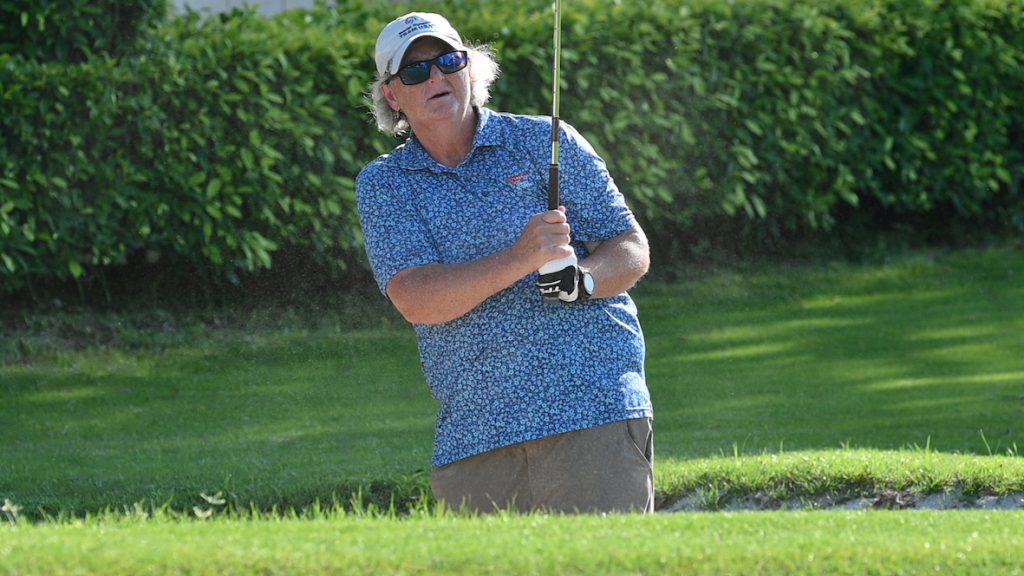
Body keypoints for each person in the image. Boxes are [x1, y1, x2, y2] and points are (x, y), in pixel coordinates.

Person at [356, 12, 654, 514]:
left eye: (449, 61)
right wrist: (521, 256)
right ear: (392, 96)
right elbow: (417, 299)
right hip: (476, 437)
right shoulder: (386, 183)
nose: (436, 77)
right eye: (415, 71)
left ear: (469, 68)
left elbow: (630, 246)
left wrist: (583, 281)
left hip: (592, 411)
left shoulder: (544, 140)